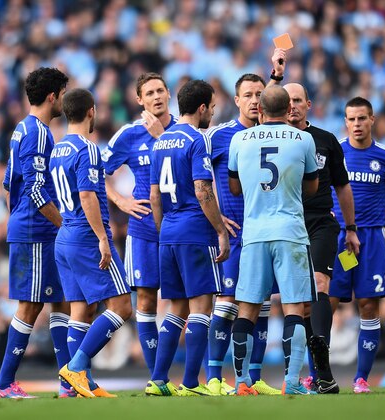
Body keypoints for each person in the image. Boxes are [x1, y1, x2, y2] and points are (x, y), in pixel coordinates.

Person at [228, 85, 319, 396]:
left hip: (254, 235)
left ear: (261, 110)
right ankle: (291, 382)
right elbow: (312, 188)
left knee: (247, 310)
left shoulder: (239, 139)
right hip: (291, 232)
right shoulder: (304, 139)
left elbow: (234, 187)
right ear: (288, 110)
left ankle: (241, 382)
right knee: (294, 308)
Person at [329, 96, 385, 394]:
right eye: (351, 119)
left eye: (361, 118)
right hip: (341, 239)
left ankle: (361, 379)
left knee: (368, 305)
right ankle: (318, 374)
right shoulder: (334, 152)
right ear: (346, 122)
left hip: (370, 240)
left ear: (372, 120)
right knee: (326, 304)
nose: (356, 124)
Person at [147, 79, 229, 396]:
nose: (213, 112)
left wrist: (162, 230)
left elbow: (154, 196)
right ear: (202, 107)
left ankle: (157, 380)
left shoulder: (161, 142)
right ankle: (192, 383)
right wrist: (220, 229)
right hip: (194, 228)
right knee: (201, 308)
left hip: (167, 230)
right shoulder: (196, 140)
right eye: (212, 106)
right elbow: (202, 189)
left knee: (175, 308)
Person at [0, 67, 72, 399]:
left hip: (30, 227)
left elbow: (7, 184)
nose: (65, 101)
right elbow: (38, 192)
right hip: (36, 230)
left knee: (61, 301)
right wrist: (65, 225)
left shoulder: (21, 130)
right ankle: (3, 383)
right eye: (64, 94)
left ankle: (69, 381)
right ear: (53, 96)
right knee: (30, 306)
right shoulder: (40, 134)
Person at [51, 88, 132, 398]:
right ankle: (77, 367)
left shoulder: (58, 149)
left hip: (65, 237)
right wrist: (102, 237)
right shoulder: (88, 149)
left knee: (81, 311)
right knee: (122, 305)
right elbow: (87, 195)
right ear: (91, 111)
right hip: (86, 236)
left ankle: (72, 385)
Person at [205, 73, 281, 396]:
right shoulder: (220, 136)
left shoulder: (275, 135)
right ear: (236, 100)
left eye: (258, 94)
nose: (253, 100)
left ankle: (253, 377)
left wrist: (277, 75)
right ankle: (212, 378)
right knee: (227, 303)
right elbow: (196, 177)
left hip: (265, 232)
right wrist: (215, 216)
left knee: (262, 304)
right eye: (247, 95)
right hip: (234, 235)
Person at [284, 82, 360, 394]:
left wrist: (351, 228)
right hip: (285, 224)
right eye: (287, 101)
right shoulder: (271, 137)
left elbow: (342, 186)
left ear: (309, 104)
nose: (292, 106)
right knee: (295, 303)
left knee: (320, 287)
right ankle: (293, 374)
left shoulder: (326, 140)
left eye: (298, 100)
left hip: (320, 224)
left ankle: (322, 372)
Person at [101, 73, 177, 376]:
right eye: (149, 93)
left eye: (160, 90)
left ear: (169, 94)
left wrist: (162, 137)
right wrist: (120, 201)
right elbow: (96, 172)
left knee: (188, 302)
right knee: (145, 300)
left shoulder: (187, 130)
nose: (156, 96)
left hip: (181, 227)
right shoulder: (129, 135)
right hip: (144, 229)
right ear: (139, 100)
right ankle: (158, 377)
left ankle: (194, 375)